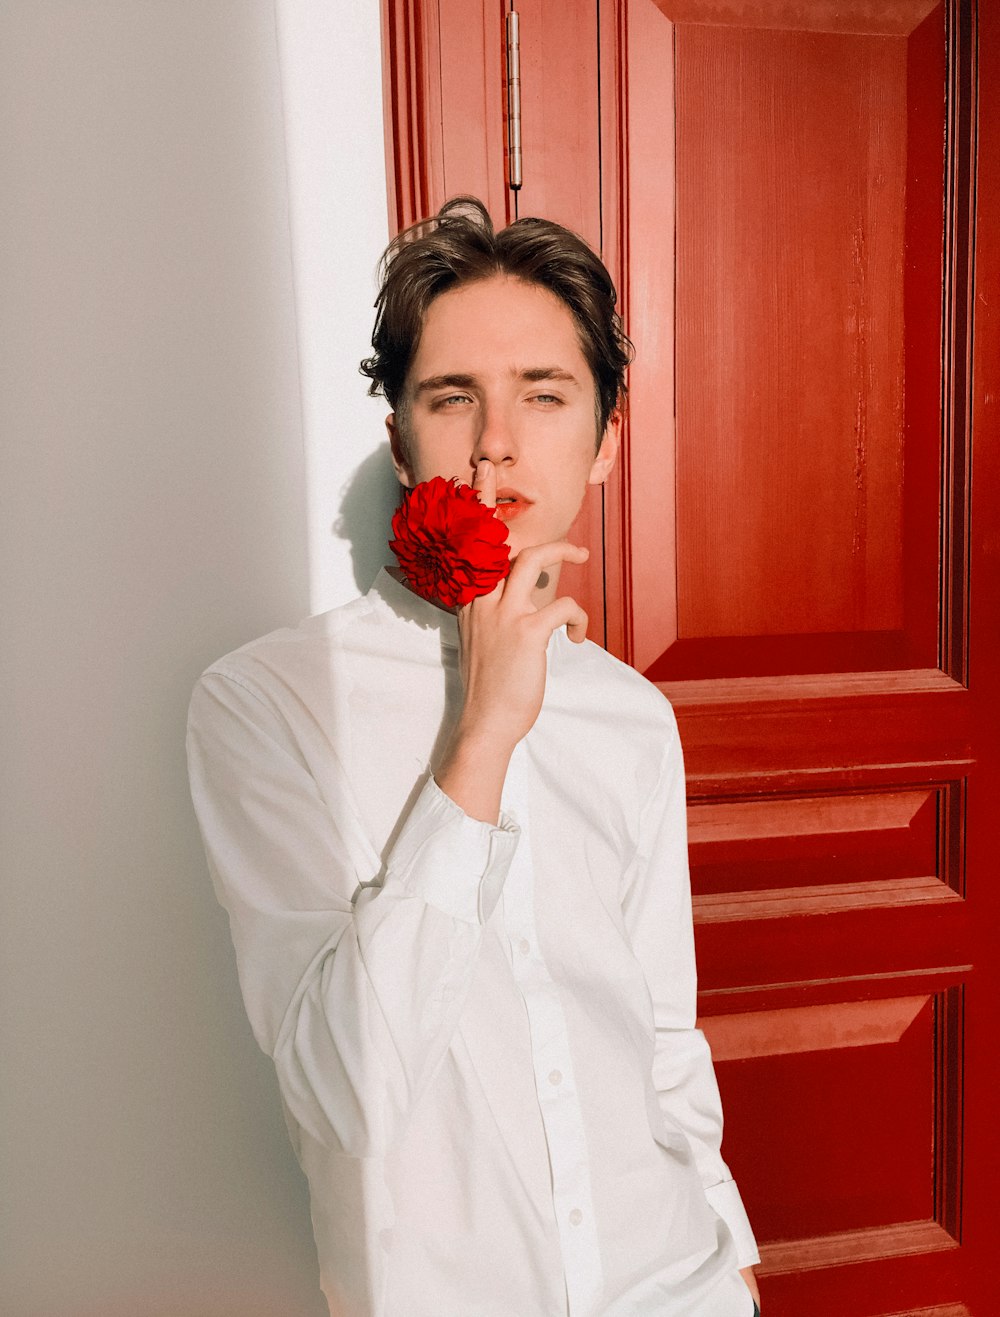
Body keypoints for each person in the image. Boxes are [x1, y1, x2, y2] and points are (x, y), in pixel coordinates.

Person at [187, 196, 761, 1316]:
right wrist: (485, 731)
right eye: (453, 398)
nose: (497, 442)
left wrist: (726, 1242)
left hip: (673, 1282)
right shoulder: (265, 706)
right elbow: (344, 1091)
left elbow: (657, 1024)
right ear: (401, 441)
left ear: (603, 442)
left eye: (544, 396)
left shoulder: (632, 715)